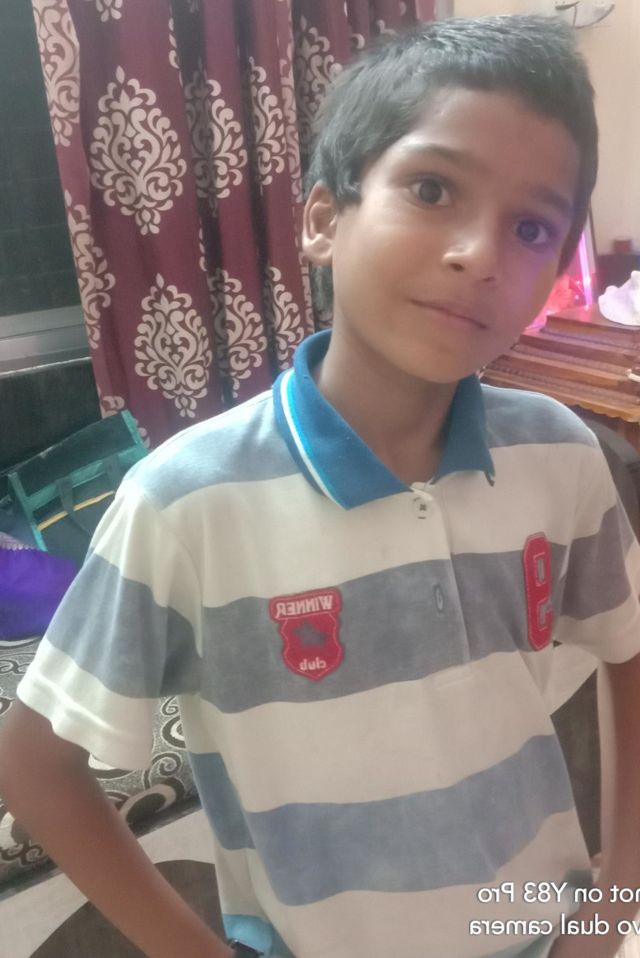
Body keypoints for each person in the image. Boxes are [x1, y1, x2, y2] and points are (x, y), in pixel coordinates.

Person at [1, 14, 640, 958]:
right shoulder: (185, 501)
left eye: (531, 227)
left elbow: (628, 650)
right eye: (432, 189)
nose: (479, 252)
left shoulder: (560, 454)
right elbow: (35, 763)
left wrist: (615, 903)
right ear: (322, 220)